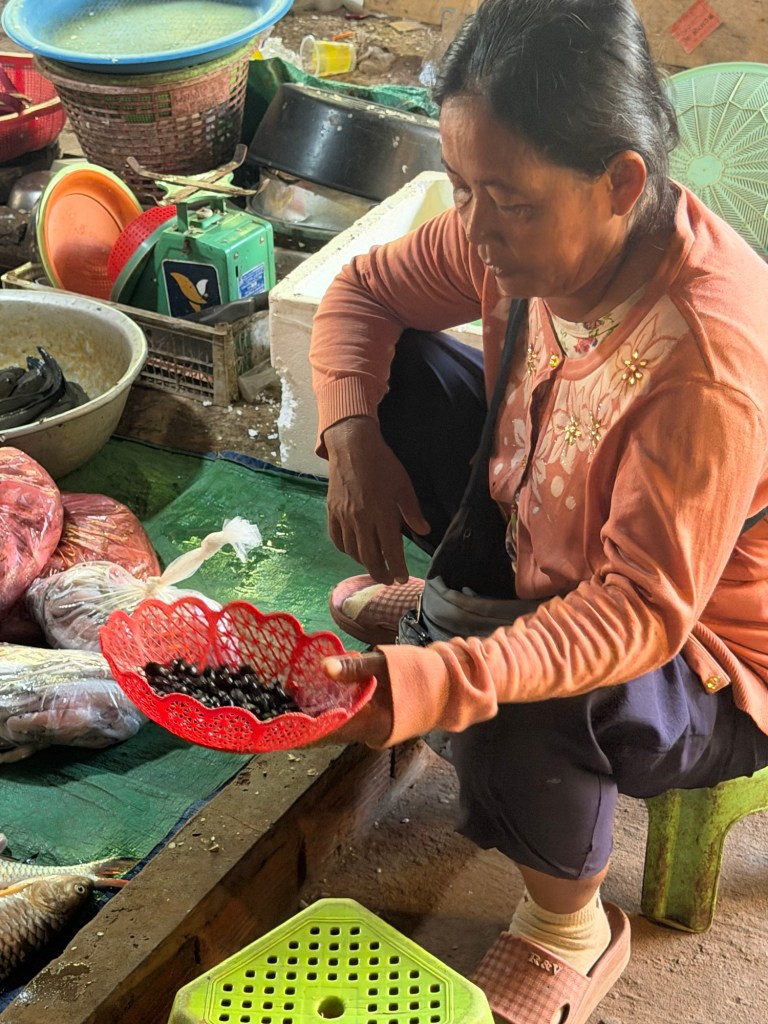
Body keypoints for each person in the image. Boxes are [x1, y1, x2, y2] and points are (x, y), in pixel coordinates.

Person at [309, 0, 768, 1020]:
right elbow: (359, 295)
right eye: (461, 187)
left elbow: (636, 613)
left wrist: (449, 677)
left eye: (505, 201)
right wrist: (351, 441)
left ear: (623, 183)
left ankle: (571, 923)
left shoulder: (705, 366)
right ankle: (447, 607)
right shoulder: (518, 240)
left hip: (702, 652)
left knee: (530, 684)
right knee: (399, 381)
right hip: (550, 529)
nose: (474, 229)